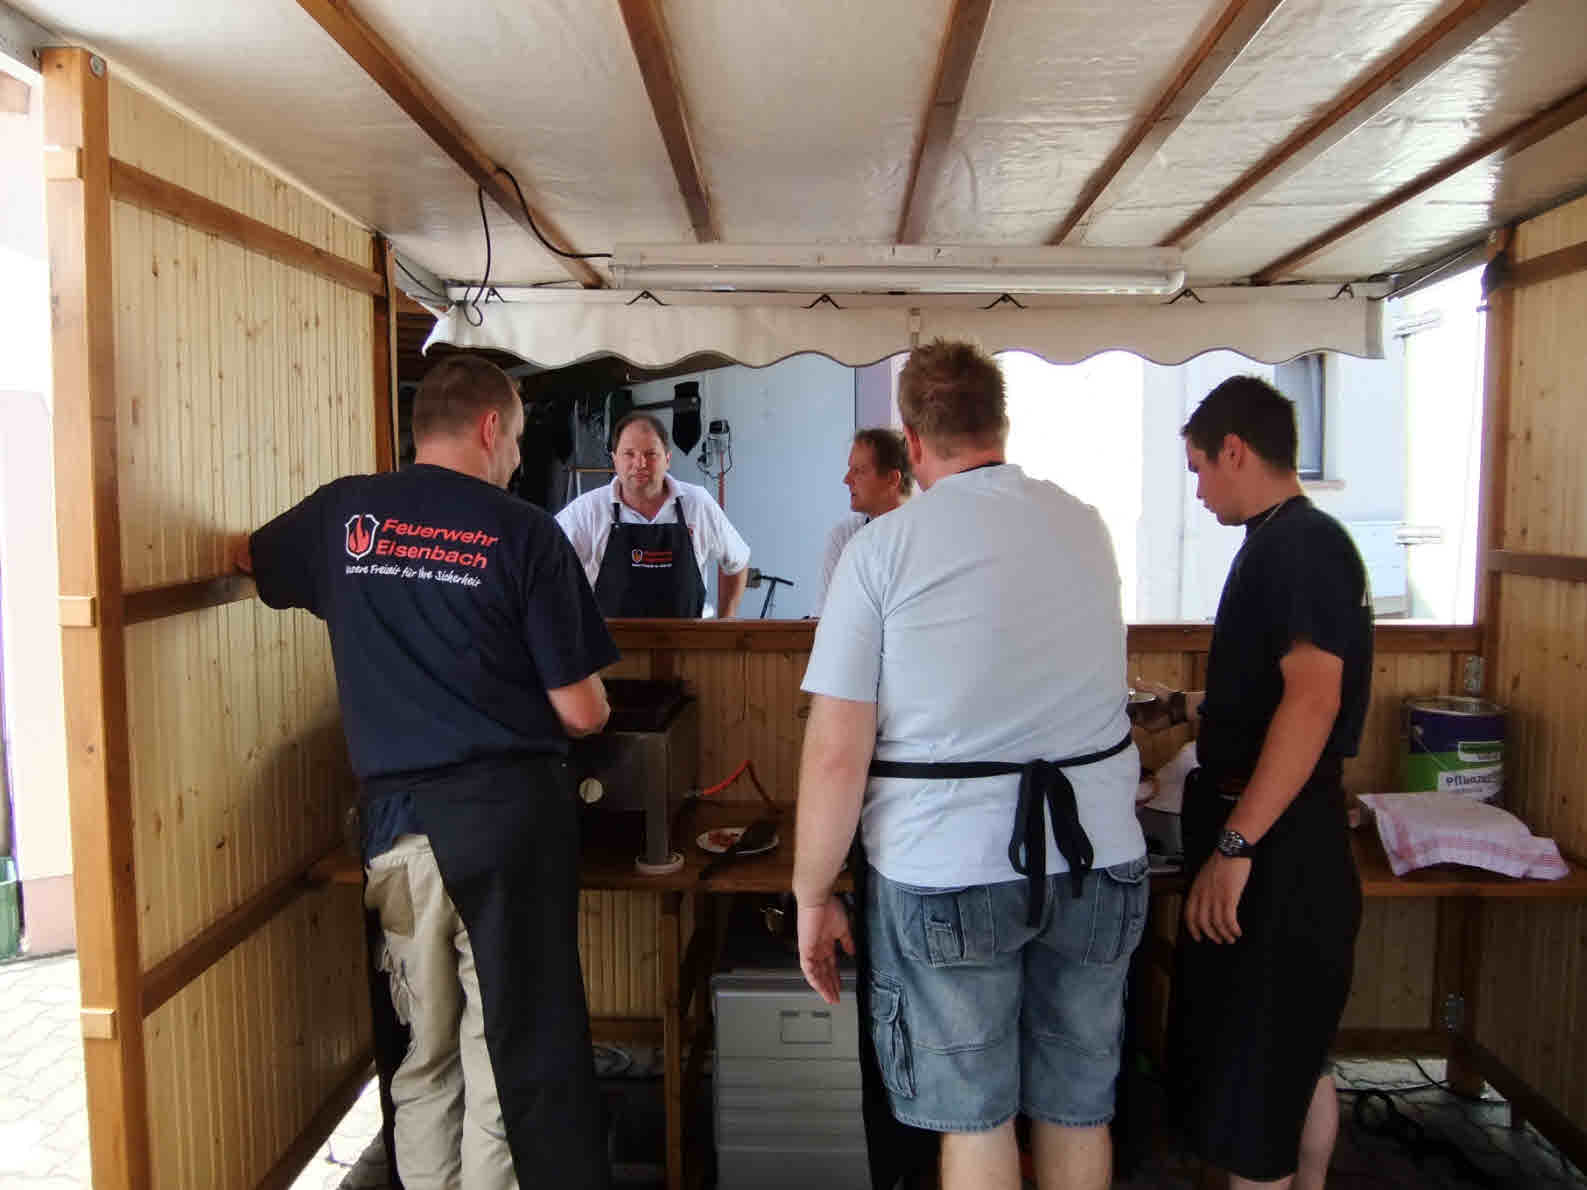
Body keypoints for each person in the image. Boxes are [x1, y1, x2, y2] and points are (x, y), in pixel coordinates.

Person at [236, 355, 618, 1190]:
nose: (517, 456)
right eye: (517, 438)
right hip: (504, 832)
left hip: (396, 833)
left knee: (421, 1050)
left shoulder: (342, 515)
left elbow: (250, 558)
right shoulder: (523, 532)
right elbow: (583, 711)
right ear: (490, 427)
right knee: (510, 1054)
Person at [793, 339, 1148, 1190]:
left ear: (912, 443)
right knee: (1076, 1108)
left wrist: (810, 894)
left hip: (946, 866)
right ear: (1001, 425)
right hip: (1097, 857)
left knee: (974, 1119)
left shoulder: (881, 549)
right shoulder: (1084, 524)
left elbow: (837, 751)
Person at [1144, 374, 1371, 1190]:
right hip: (1278, 833)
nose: (1198, 491)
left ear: (1234, 451)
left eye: (1199, 469)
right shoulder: (1283, 541)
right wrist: (1182, 706)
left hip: (1277, 848)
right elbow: (1272, 694)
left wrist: (1236, 846)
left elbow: (1312, 702)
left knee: (1255, 1100)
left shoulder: (1299, 545)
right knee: (1290, 1065)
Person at [555, 411, 751, 617]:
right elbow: (546, 563)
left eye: (651, 454)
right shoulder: (587, 511)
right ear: (614, 460)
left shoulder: (697, 504)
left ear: (667, 459)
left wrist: (727, 620)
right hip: (609, 637)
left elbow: (738, 562)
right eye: (629, 454)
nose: (640, 464)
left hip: (687, 636)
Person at [815, 427, 912, 614]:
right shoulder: (843, 536)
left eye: (858, 471)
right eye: (849, 469)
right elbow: (823, 615)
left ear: (892, 479)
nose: (846, 479)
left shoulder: (927, 535)